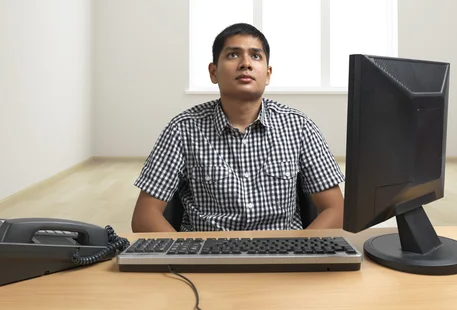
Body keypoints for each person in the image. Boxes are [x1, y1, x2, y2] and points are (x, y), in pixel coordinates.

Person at [131, 23, 344, 232]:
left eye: (256, 56)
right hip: (207, 258)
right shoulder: (182, 130)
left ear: (268, 74)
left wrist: (297, 254)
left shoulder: (299, 127)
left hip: (282, 256)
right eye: (233, 55)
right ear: (213, 72)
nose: (246, 64)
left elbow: (335, 209)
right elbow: (145, 216)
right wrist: (186, 257)